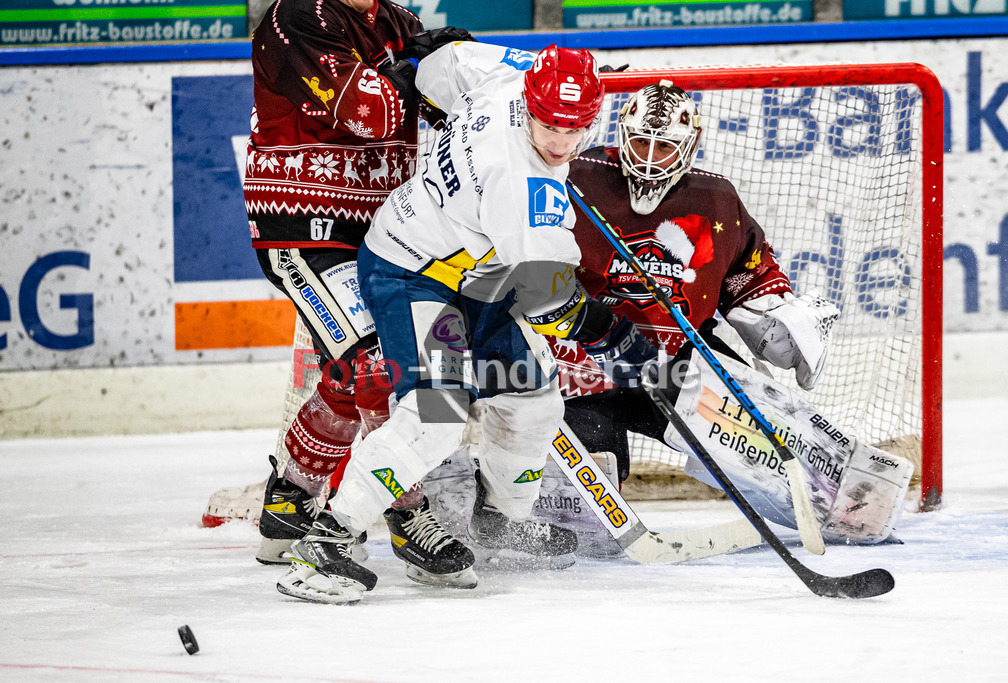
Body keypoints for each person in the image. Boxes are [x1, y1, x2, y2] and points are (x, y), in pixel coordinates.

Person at [275, 41, 637, 604]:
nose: (561, 143)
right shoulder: (524, 183)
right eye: (549, 126)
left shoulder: (510, 72)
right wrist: (610, 332)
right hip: (413, 271)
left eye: (576, 128)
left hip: (476, 272)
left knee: (533, 400)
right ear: (532, 106)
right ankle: (330, 538)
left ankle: (500, 520)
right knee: (436, 418)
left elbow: (441, 62)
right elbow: (549, 298)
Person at [547, 80, 912, 547]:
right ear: (622, 135)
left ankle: (854, 504)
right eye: (640, 142)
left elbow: (747, 273)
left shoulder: (716, 200)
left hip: (676, 362)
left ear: (690, 145)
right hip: (578, 372)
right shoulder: (573, 177)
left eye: (665, 147)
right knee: (584, 529)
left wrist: (775, 318)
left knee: (772, 433)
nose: (649, 157)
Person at [242, 0, 476, 583]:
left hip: (388, 232)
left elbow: (441, 106)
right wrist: (412, 65)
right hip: (305, 228)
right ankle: (408, 515)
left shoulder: (394, 19)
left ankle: (288, 499)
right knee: (378, 369)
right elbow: (369, 110)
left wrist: (462, 70)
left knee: (368, 374)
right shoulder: (294, 17)